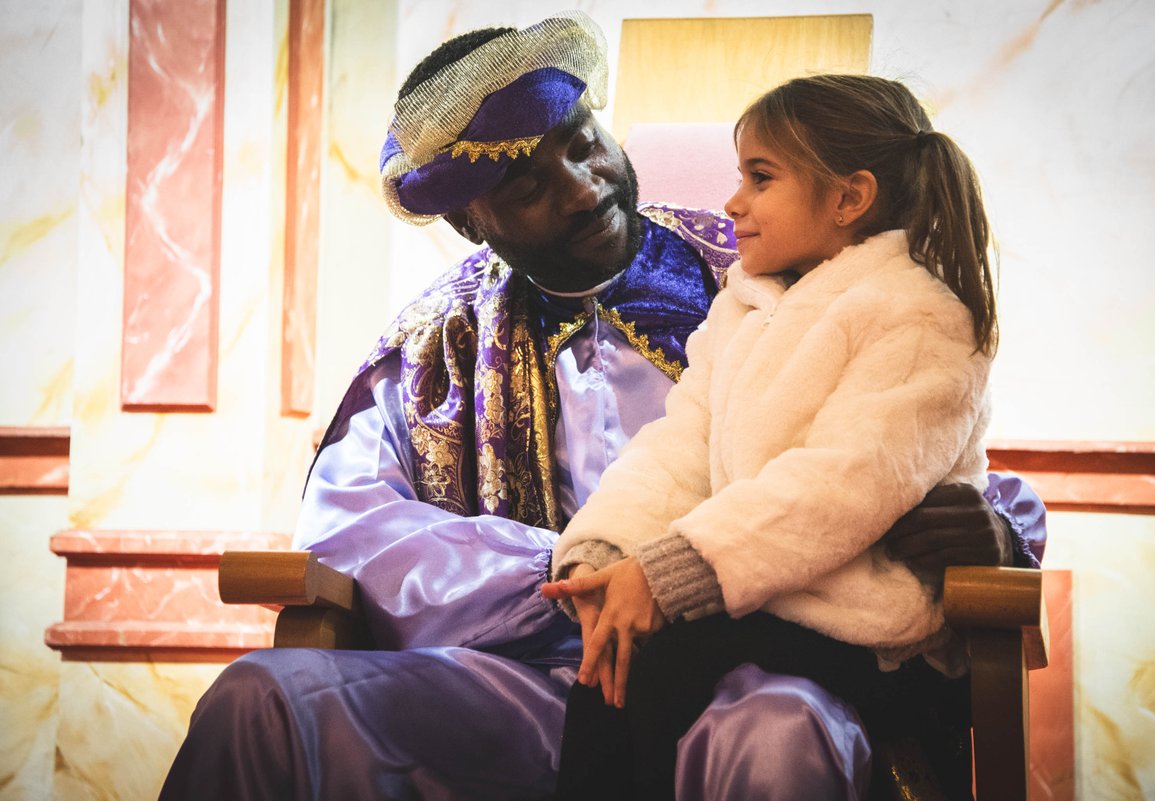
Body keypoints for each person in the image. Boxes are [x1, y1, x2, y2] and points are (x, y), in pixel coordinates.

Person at [158, 13, 1044, 801]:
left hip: (738, 670)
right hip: (518, 688)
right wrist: (574, 580)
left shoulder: (769, 267)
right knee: (258, 703)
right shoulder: (434, 348)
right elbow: (350, 530)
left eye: (583, 143)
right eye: (528, 188)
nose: (581, 186)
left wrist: (997, 534)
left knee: (774, 736)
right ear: (473, 225)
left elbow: (896, 446)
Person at [544, 72, 1007, 801]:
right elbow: (679, 443)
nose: (734, 202)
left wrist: (670, 572)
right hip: (765, 598)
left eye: (760, 178)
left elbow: (841, 485)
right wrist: (610, 548)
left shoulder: (920, 313)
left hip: (865, 624)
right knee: (611, 675)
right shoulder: (747, 307)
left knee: (648, 672)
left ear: (850, 198)